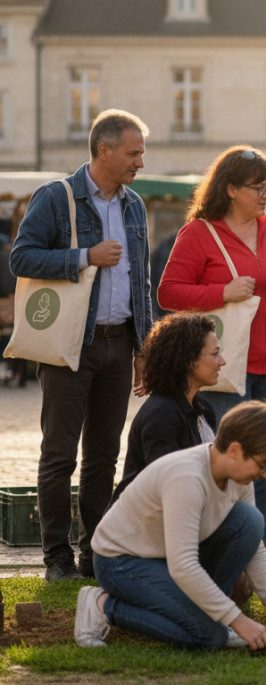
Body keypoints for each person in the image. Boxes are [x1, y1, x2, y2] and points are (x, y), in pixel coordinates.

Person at [9, 109, 154, 581]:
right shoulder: (57, 197)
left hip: (120, 345)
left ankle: (95, 553)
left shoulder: (134, 205)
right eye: (133, 153)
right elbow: (22, 258)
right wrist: (83, 258)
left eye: (141, 153)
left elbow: (141, 281)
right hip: (72, 344)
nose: (140, 162)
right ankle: (56, 558)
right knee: (59, 455)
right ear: (103, 150)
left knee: (103, 457)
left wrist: (143, 348)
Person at [158, 145, 266, 576]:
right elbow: (169, 293)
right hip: (224, 369)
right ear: (230, 188)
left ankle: (256, 552)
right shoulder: (199, 233)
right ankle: (216, 550)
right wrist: (220, 293)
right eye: (258, 187)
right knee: (222, 460)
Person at [76, 401, 266, 651]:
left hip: (164, 558)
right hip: (120, 560)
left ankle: (201, 612)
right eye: (263, 465)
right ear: (236, 450)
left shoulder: (238, 476)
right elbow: (183, 565)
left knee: (250, 520)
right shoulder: (188, 478)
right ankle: (103, 605)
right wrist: (237, 620)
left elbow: (255, 548)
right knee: (210, 637)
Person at [110, 313, 223, 502]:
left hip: (186, 509)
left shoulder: (203, 407)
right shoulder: (161, 414)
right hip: (149, 519)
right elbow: (167, 485)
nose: (222, 361)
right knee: (245, 518)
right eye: (214, 354)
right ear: (188, 361)